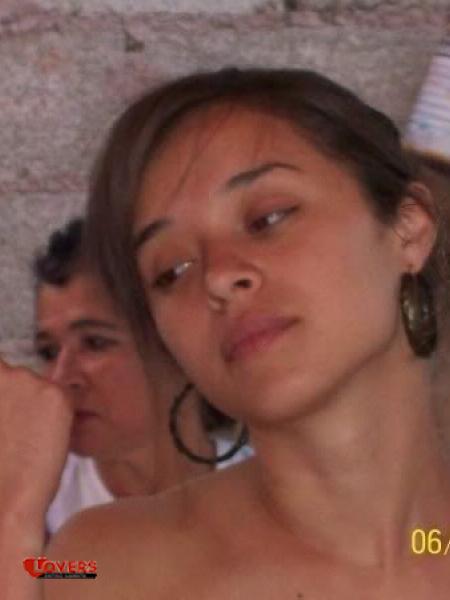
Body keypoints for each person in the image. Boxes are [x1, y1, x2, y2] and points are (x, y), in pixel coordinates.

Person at [3, 67, 449, 599]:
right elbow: (34, 570)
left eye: (267, 219)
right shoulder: (102, 562)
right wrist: (14, 516)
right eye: (171, 271)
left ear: (408, 228)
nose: (217, 276)